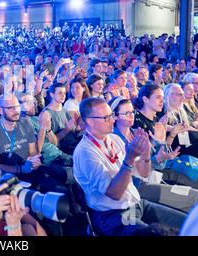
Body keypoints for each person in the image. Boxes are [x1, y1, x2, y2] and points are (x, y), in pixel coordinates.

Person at [73, 97, 186, 236]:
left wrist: (145, 154)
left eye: (111, 116)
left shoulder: (114, 139)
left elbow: (143, 173)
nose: (112, 120)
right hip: (113, 215)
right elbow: (114, 194)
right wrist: (130, 158)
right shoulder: (85, 152)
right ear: (89, 121)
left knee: (189, 223)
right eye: (106, 117)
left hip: (135, 203)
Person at [110, 96, 198, 213]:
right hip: (137, 186)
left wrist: (163, 142)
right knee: (196, 197)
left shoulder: (136, 133)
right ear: (114, 117)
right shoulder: (114, 140)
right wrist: (159, 157)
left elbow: (158, 162)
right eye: (126, 113)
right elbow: (136, 172)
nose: (131, 115)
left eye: (132, 112)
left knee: (197, 195)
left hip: (153, 178)